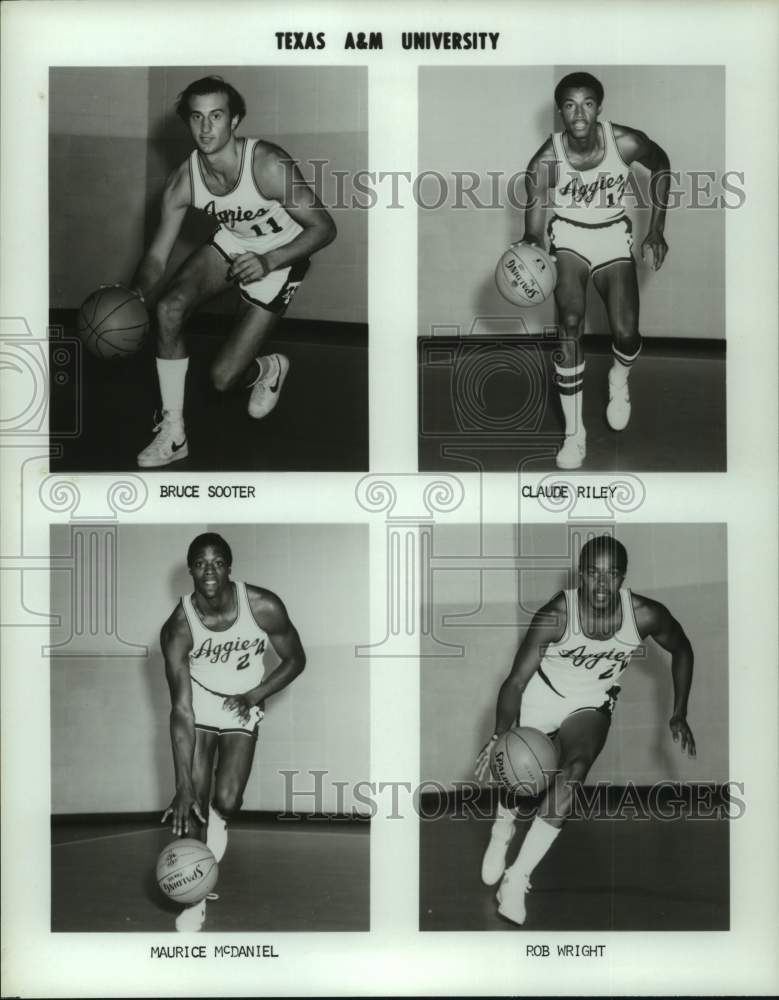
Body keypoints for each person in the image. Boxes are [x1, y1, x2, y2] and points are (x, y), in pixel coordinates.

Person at [474, 535, 695, 927]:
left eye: (611, 575)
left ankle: (518, 875)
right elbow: (514, 682)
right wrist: (498, 735)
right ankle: (503, 826)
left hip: (590, 704)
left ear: (623, 578)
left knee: (574, 770)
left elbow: (682, 649)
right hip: (543, 694)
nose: (601, 584)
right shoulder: (557, 614)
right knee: (517, 772)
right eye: (593, 573)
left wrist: (678, 712)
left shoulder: (643, 615)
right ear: (581, 575)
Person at [130, 76, 337, 468]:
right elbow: (157, 257)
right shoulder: (183, 181)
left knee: (223, 380)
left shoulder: (269, 165)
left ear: (235, 120)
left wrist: (269, 260)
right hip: (233, 244)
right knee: (168, 309)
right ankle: (173, 433)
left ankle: (268, 367)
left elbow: (324, 228)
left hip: (283, 256)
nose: (206, 128)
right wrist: (136, 293)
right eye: (197, 118)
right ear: (188, 123)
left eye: (217, 116)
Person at [518, 72, 671, 470]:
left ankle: (618, 379)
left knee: (627, 332)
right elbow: (534, 223)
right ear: (560, 111)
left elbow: (662, 165)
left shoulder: (625, 142)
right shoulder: (546, 160)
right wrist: (532, 249)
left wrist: (656, 228)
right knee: (569, 322)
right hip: (568, 237)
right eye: (570, 105)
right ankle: (574, 434)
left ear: (599, 107)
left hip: (611, 237)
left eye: (587, 103)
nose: (579, 112)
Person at [160, 532, 306, 932]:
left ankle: (219, 821)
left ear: (229, 567)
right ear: (190, 569)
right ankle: (194, 900)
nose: (209, 570)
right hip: (201, 701)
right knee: (194, 801)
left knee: (227, 799)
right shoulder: (178, 627)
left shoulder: (262, 606)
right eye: (201, 563)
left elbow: (296, 659)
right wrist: (182, 784)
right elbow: (181, 709)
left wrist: (256, 694)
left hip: (243, 701)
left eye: (218, 562)